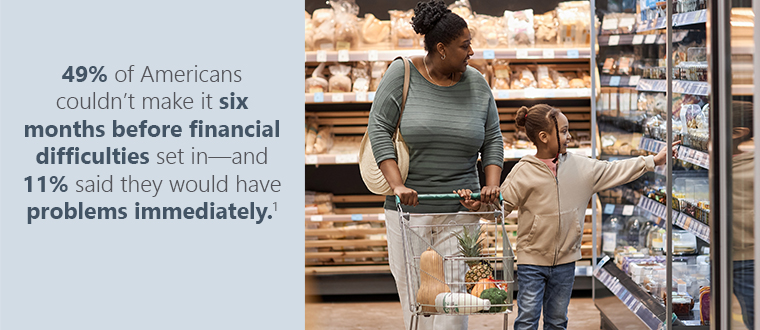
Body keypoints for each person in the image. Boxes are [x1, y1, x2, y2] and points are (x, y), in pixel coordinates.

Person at [459, 104, 678, 330]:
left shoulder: (582, 167)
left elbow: (616, 169)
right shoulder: (523, 171)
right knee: (526, 320)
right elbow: (500, 209)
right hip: (531, 262)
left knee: (557, 321)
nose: (569, 136)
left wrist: (653, 161)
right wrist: (476, 207)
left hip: (565, 262)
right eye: (563, 131)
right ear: (544, 137)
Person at [367, 0, 503, 328]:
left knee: (455, 299)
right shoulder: (402, 73)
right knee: (418, 297)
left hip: (460, 207)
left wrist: (492, 183)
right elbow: (378, 128)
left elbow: (493, 138)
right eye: (464, 45)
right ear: (441, 48)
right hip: (408, 211)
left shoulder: (477, 83)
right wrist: (398, 184)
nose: (471, 52)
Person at [731, 100, 754, 329]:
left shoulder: (752, 166)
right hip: (717, 255)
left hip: (747, 259)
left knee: (752, 315)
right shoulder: (710, 162)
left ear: (737, 133)